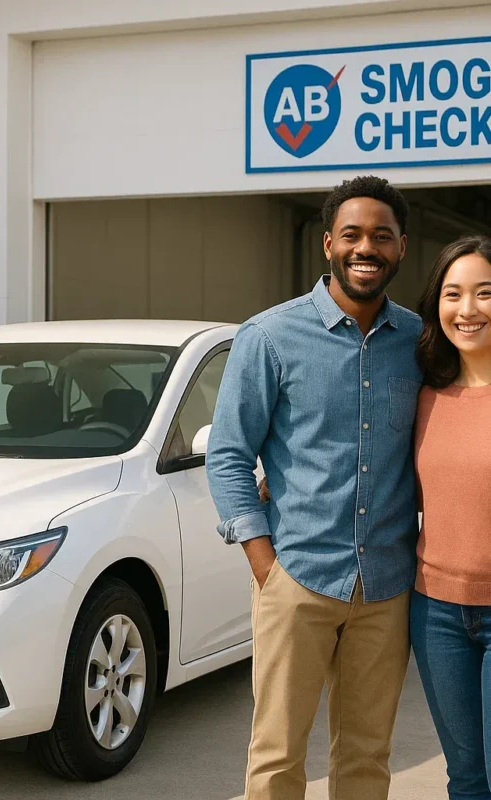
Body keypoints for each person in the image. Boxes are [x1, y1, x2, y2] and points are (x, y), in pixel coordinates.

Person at [206, 175, 422, 800]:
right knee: (276, 759)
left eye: (382, 236)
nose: (366, 248)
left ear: (401, 247)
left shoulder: (418, 341)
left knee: (365, 759)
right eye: (352, 234)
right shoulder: (269, 337)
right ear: (327, 243)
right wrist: (264, 565)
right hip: (296, 580)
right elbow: (227, 455)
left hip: (386, 587)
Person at [411, 235, 491, 800]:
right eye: (453, 293)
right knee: (465, 779)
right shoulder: (422, 392)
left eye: (485, 293)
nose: (468, 310)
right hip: (436, 613)